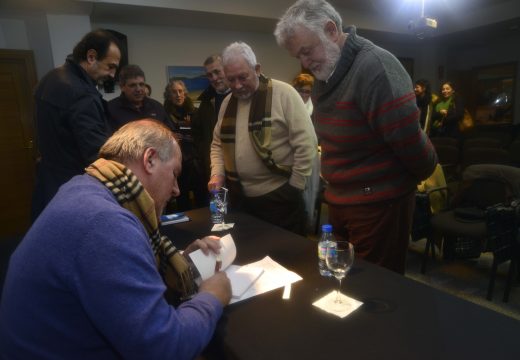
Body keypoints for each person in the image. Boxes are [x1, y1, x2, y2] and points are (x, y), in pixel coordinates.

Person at [0, 119, 231, 359]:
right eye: (174, 174)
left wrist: (181, 260)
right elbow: (165, 348)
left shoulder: (83, 190)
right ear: (150, 159)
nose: (176, 190)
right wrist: (211, 297)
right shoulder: (104, 223)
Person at [275, 0, 437, 273]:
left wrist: (413, 177)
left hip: (379, 205)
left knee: (374, 289)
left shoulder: (375, 68)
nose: (304, 63)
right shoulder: (327, 72)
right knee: (345, 281)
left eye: (306, 51)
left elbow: (412, 147)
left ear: (330, 30)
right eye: (298, 57)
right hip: (342, 200)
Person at [209, 41, 317, 235]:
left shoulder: (284, 93)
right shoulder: (227, 103)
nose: (237, 85)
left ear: (257, 69)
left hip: (281, 198)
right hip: (240, 199)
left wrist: (295, 186)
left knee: (286, 260)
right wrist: (217, 174)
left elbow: (307, 143)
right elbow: (217, 144)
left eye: (243, 77)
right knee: (249, 257)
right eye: (231, 80)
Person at [31, 29, 122, 221]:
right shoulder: (82, 94)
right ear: (91, 57)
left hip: (48, 183)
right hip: (74, 189)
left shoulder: (49, 78)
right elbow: (96, 154)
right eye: (110, 66)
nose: (113, 75)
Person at [192, 55, 231, 199]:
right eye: (210, 75)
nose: (214, 78)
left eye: (217, 72)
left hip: (238, 171)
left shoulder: (241, 97)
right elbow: (198, 134)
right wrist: (204, 156)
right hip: (214, 170)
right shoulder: (206, 103)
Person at [164, 79, 207, 211]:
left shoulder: (195, 112)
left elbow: (203, 135)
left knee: (202, 199)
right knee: (182, 202)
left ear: (185, 93)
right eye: (174, 92)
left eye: (180, 91)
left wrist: (189, 136)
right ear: (168, 95)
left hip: (196, 162)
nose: (178, 95)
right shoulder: (164, 113)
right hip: (178, 164)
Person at [292, 72, 321, 231]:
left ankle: (308, 221)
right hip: (293, 156)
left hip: (312, 156)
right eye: (300, 90)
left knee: (310, 193)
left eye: (307, 91)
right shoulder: (290, 107)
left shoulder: (316, 110)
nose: (303, 94)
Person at [107, 64, 169, 132]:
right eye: (132, 85)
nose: (138, 89)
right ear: (122, 87)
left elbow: (170, 133)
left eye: (141, 84)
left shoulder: (157, 107)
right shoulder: (110, 109)